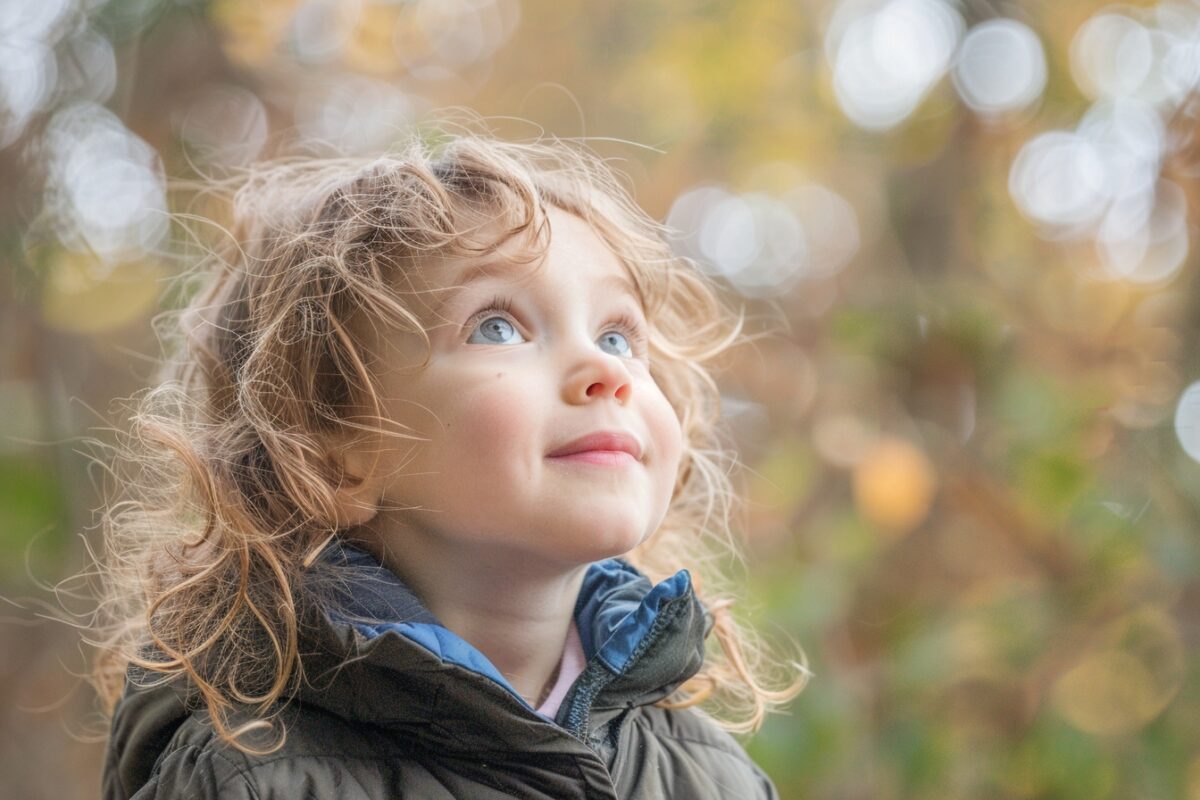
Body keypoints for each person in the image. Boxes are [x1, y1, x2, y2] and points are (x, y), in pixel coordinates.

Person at [93, 130, 808, 799]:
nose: (603, 369)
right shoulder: (252, 771)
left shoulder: (711, 775)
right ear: (332, 454)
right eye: (497, 326)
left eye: (619, 336)